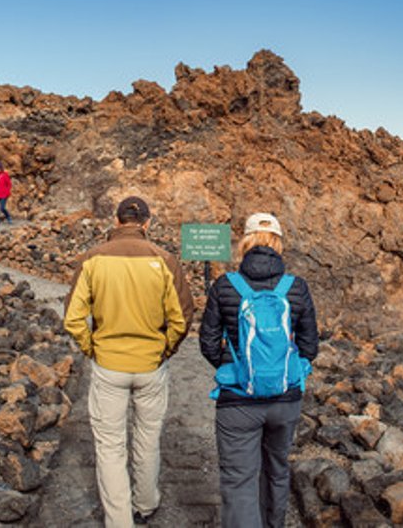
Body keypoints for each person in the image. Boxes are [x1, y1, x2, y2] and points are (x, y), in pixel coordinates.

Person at [63, 196, 192, 528]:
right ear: (147, 223)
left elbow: (74, 318)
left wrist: (93, 349)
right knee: (148, 437)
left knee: (109, 445)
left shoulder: (92, 259)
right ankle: (146, 503)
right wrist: (164, 350)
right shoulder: (165, 260)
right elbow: (181, 318)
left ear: (116, 221)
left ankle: (119, 521)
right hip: (151, 366)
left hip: (109, 366)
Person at [199, 213, 319, 528]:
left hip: (237, 402)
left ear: (246, 242)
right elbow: (309, 347)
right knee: (277, 470)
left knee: (239, 479)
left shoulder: (225, 286)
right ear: (278, 243)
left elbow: (208, 343)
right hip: (285, 398)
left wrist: (235, 368)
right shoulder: (297, 287)